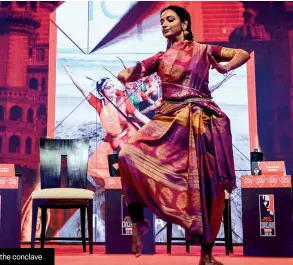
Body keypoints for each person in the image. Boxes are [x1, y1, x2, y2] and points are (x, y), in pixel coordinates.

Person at [116, 5, 250, 264]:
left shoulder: (204, 50)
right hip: (167, 120)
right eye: (162, 21)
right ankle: (138, 221)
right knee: (127, 154)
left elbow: (243, 53)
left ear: (185, 24)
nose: (164, 24)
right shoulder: (159, 58)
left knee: (209, 187)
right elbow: (134, 71)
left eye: (170, 19)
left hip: (200, 123)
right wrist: (126, 74)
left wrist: (225, 67)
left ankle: (207, 255)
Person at [63, 65, 150, 187]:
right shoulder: (98, 104)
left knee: (133, 170)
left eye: (113, 86)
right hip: (111, 142)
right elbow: (82, 89)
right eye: (108, 87)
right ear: (101, 92)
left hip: (128, 139)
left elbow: (139, 115)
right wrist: (70, 73)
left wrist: (153, 126)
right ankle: (116, 195)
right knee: (108, 171)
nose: (113, 89)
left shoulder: (123, 101)